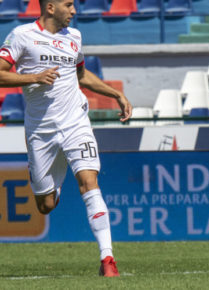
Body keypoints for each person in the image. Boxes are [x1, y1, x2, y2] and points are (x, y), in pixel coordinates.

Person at [0, 0, 132, 277]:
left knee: (89, 182)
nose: (74, 11)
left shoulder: (74, 37)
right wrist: (33, 77)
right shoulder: (22, 35)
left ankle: (108, 259)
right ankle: (53, 185)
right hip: (41, 131)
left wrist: (115, 94)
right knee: (45, 205)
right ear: (50, 7)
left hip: (76, 122)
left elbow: (80, 74)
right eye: (69, 4)